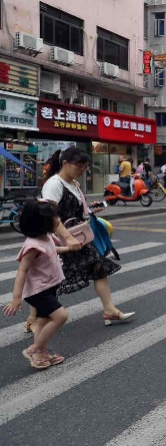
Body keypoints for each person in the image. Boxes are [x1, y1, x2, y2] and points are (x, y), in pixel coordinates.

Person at [38, 147, 134, 328]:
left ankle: (109, 310)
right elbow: (50, 215)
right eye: (79, 165)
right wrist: (68, 238)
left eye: (86, 166)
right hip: (62, 239)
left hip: (78, 238)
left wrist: (90, 209)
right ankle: (34, 319)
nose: (83, 169)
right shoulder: (54, 184)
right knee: (50, 280)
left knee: (99, 268)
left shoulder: (74, 184)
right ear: (65, 163)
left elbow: (73, 210)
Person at [3, 200, 79, 369]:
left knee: (44, 321)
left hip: (49, 286)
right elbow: (22, 271)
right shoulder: (32, 246)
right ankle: (34, 349)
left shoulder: (47, 236)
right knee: (61, 316)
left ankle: (40, 354)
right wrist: (16, 298)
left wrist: (67, 249)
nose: (58, 220)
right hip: (38, 291)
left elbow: (52, 249)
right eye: (54, 217)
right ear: (41, 222)